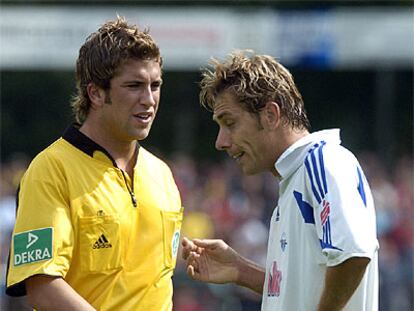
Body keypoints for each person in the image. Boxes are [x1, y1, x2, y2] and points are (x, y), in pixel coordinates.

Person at [6, 17, 183, 310]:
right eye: (134, 85)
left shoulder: (162, 174)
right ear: (96, 93)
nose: (149, 99)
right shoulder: (50, 170)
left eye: (155, 85)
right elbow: (42, 285)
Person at [182, 50, 379, 310]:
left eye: (230, 123)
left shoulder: (322, 161)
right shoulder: (294, 180)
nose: (221, 142)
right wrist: (242, 271)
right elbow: (301, 294)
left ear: (271, 115)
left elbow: (352, 255)